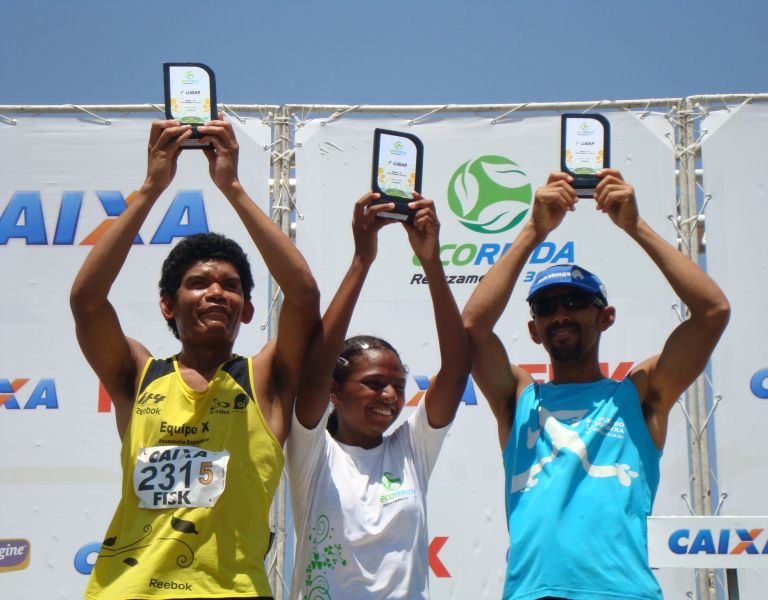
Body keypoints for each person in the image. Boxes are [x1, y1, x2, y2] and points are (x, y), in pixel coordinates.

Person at [71, 118, 319, 600]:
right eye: (199, 283)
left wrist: (231, 186)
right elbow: (87, 303)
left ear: (247, 310)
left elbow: (304, 296)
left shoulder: (265, 378)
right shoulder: (138, 375)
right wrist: (151, 186)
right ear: (168, 305)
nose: (216, 293)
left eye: (230, 286)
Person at [461, 170, 730, 600]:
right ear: (534, 330)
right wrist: (534, 229)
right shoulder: (519, 397)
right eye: (547, 307)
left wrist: (635, 226)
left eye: (576, 302)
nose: (561, 314)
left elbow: (712, 312)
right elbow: (472, 328)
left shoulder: (638, 394)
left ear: (605, 317)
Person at [285, 192, 470, 599]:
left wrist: (431, 263)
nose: (389, 395)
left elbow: (456, 372)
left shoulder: (411, 449)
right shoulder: (312, 451)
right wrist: (361, 261)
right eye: (372, 383)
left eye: (398, 386)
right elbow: (314, 369)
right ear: (335, 391)